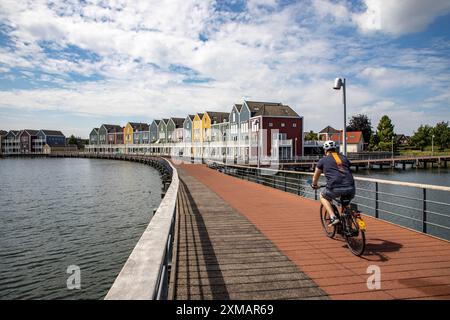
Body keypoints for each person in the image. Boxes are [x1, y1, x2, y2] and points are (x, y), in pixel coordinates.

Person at [311, 140, 355, 226]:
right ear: (335, 149)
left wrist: (314, 184)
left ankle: (333, 217)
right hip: (351, 187)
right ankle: (349, 227)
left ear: (325, 150)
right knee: (345, 203)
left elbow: (315, 176)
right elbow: (345, 169)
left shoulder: (323, 160)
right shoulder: (344, 158)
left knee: (323, 196)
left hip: (335, 188)